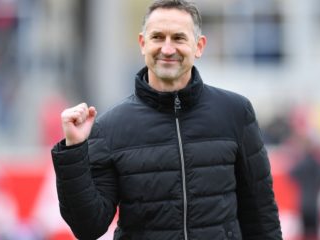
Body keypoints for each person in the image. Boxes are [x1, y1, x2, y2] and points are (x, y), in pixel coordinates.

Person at [51, 0, 282, 239]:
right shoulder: (110, 127)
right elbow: (88, 228)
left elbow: (261, 215)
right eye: (158, 37)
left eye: (179, 38)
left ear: (199, 46)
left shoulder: (235, 112)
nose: (168, 49)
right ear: (143, 43)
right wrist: (74, 150)